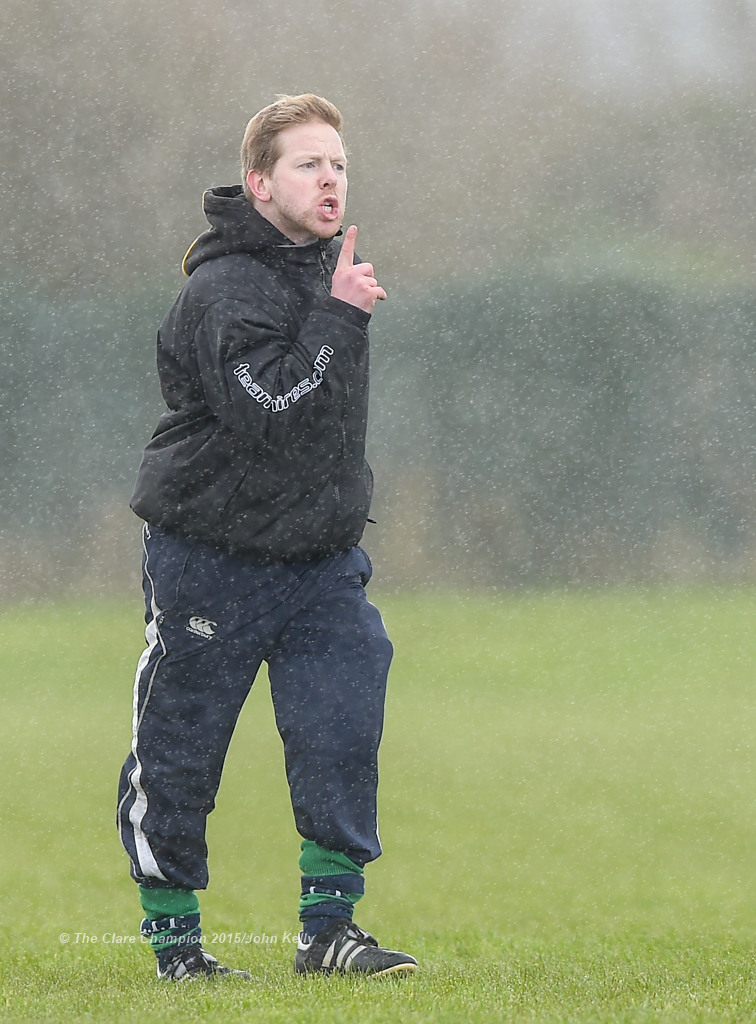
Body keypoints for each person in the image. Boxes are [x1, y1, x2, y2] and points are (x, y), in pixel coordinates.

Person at [116, 94, 417, 981]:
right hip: (210, 558)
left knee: (340, 728)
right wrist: (342, 317)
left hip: (320, 565)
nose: (331, 179)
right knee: (180, 748)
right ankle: (177, 949)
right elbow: (272, 411)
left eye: (339, 164)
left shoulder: (324, 275)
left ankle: (328, 933)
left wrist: (334, 309)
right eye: (308, 164)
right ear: (260, 183)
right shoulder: (223, 288)